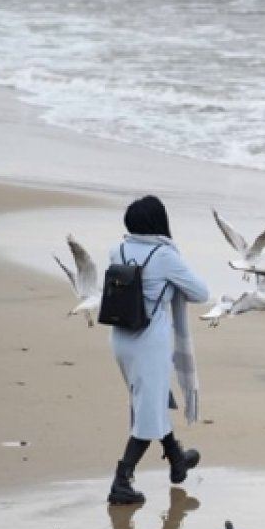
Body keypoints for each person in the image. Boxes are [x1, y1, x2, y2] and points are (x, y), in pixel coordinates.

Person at [107, 195, 210, 505]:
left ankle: (177, 459)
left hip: (121, 337)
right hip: (149, 341)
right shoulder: (164, 255)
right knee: (147, 413)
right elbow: (201, 293)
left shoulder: (118, 249)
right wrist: (168, 286)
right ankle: (121, 481)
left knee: (149, 401)